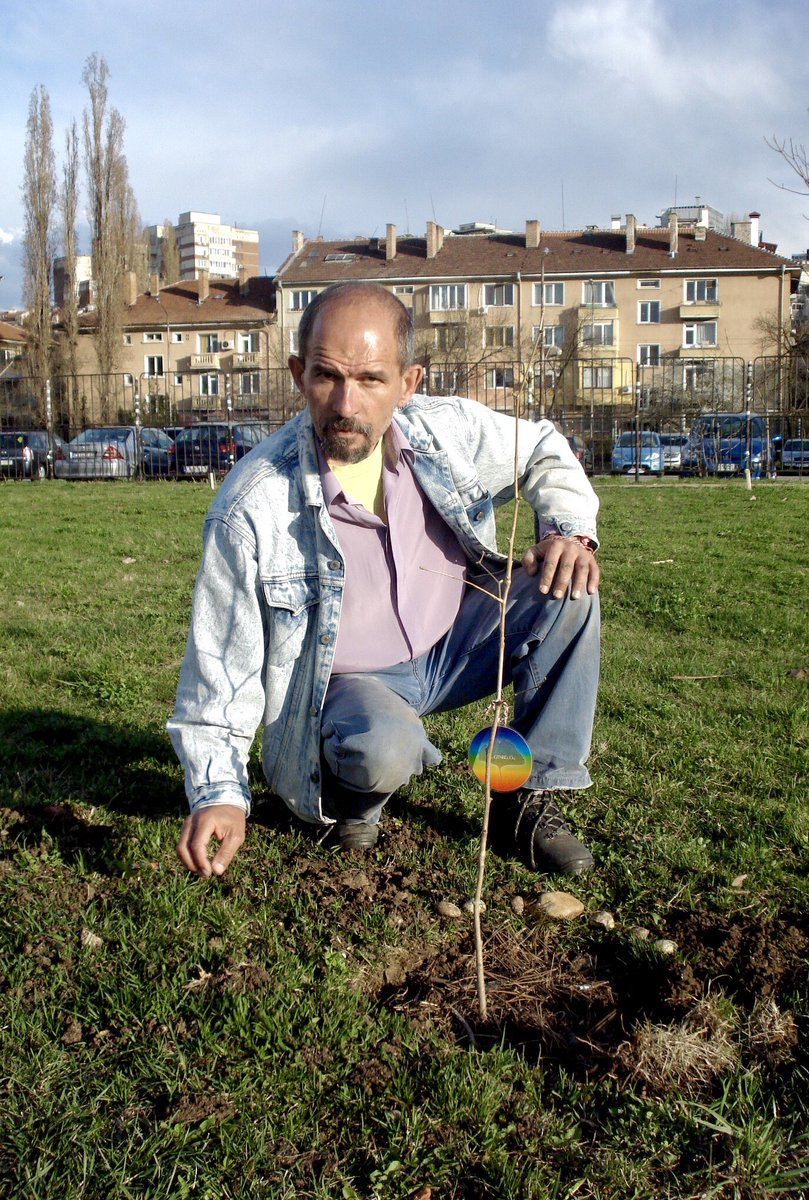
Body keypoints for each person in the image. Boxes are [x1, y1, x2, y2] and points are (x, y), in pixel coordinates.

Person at [169, 282, 601, 880]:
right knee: (382, 750)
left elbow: (544, 447)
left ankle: (528, 800)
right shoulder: (253, 505)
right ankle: (358, 798)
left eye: (371, 379)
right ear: (299, 374)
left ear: (408, 382)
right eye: (327, 376)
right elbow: (220, 664)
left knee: (569, 587)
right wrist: (219, 790)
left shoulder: (444, 432)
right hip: (356, 685)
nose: (346, 404)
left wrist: (569, 532)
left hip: (457, 642)